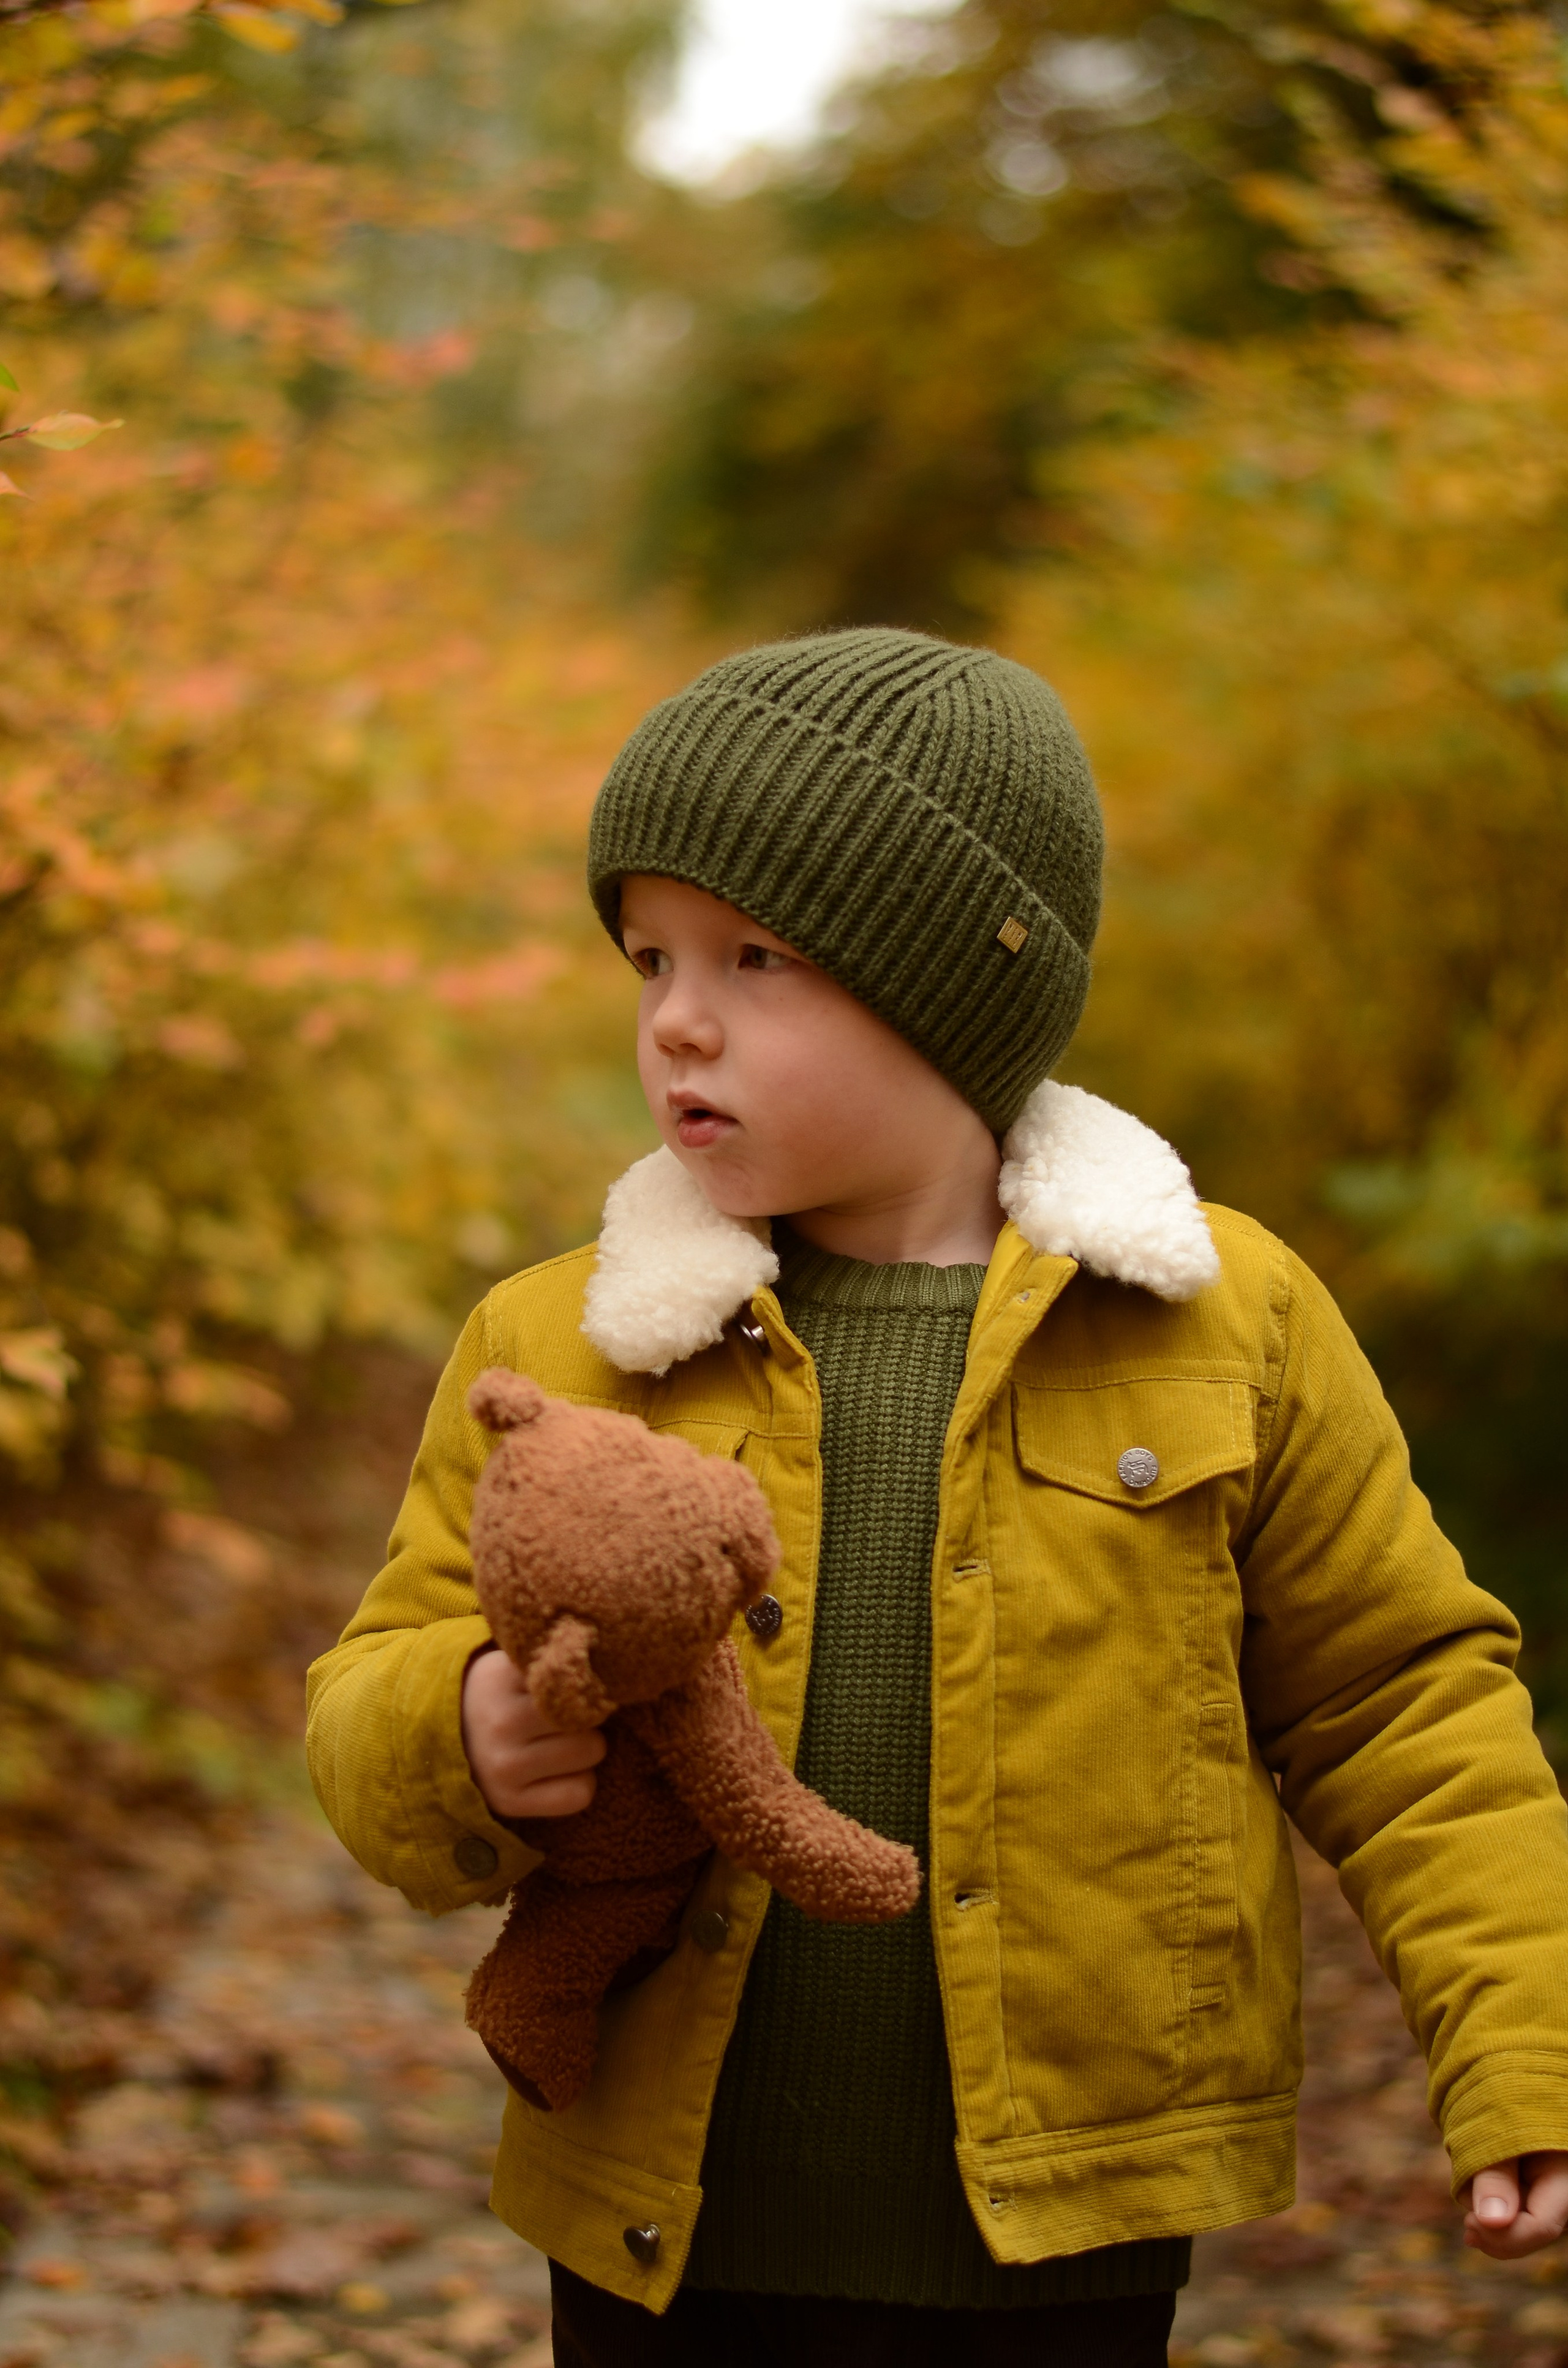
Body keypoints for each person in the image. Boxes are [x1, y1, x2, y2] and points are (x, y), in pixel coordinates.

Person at [306, 629, 1568, 2367]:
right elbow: (368, 1686)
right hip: (662, 2225)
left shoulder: (1225, 1317)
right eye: (652, 954)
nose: (679, 1011)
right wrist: (460, 1724)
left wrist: (1526, 2048)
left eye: (756, 955)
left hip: (1068, 2230)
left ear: (954, 992)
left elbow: (1403, 1699)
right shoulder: (570, 1337)